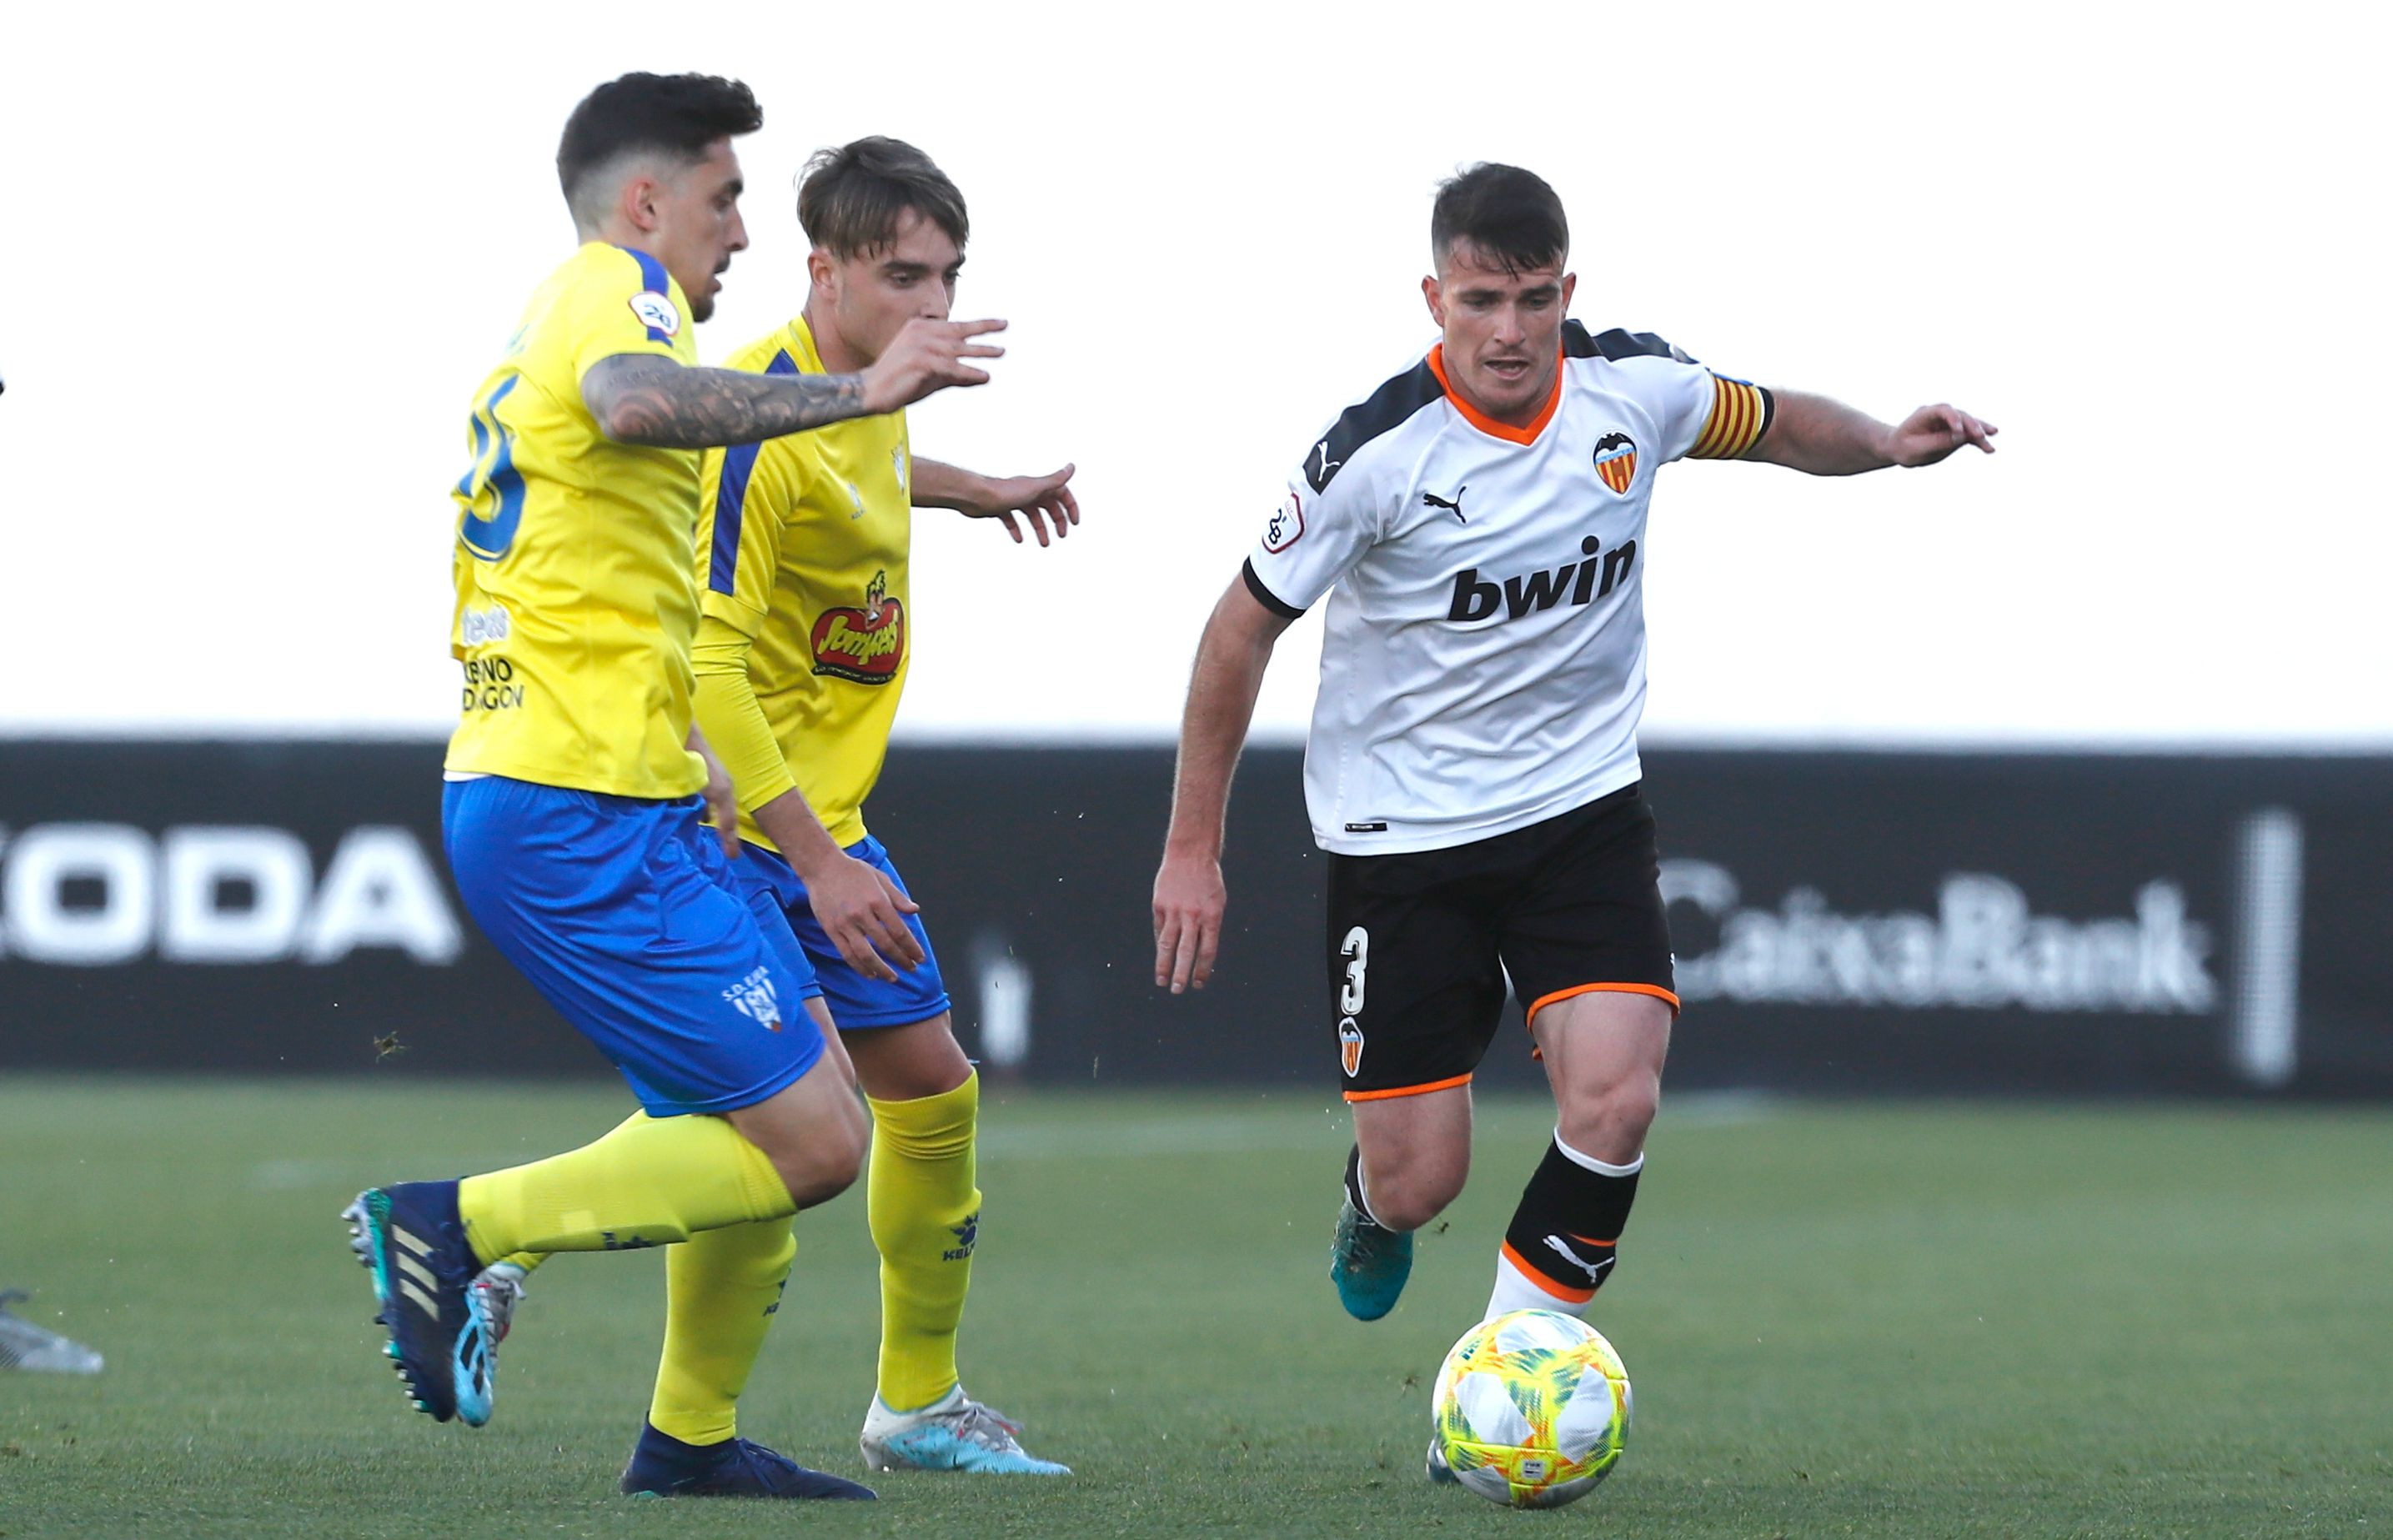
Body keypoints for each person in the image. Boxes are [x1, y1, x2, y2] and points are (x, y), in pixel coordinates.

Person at [1149, 162, 1994, 1479]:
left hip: (1578, 816)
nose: (1506, 329)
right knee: (1422, 1179)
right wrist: (1191, 847)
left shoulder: (1633, 394)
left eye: (1532, 300)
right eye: (1479, 299)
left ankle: (1490, 1396)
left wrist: (1883, 442)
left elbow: (1773, 422)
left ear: (1567, 294)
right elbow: (1233, 633)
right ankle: (1371, 1208)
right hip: (1400, 848)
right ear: (1433, 297)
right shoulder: (1374, 454)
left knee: (1616, 1098)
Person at [341, 71, 1002, 1502]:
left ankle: (689, 1445)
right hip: (573, 802)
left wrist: (931, 460)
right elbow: (634, 403)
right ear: (646, 203)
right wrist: (854, 388)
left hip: (629, 796)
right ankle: (457, 1226)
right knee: (823, 1141)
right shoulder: (619, 296)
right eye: (724, 199)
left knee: (772, 1122)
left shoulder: (566, 307)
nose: (741, 235)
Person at [476, 135, 1076, 1477]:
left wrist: (978, 492)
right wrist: (812, 857)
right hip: (752, 823)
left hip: (823, 818)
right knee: (782, 1123)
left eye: (949, 277)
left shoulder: (862, 396)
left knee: (925, 1095)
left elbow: (854, 476)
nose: (932, 305)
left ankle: (902, 1409)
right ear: (825, 271)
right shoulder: (751, 411)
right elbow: (709, 659)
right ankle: (510, 1257)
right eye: (902, 276)